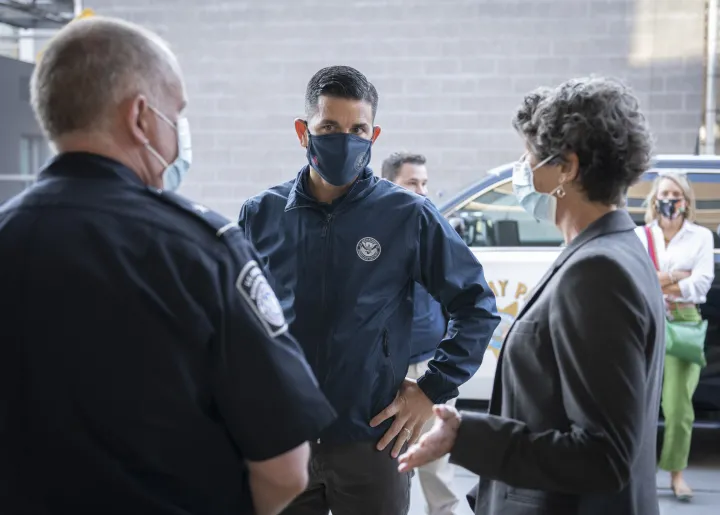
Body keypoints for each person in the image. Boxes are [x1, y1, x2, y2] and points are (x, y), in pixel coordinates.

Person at [0, 17, 336, 515]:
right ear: (140, 117)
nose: (179, 131)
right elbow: (284, 468)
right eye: (175, 112)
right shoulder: (200, 251)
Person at [237, 65, 499, 515]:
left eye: (358, 129)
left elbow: (476, 304)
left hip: (372, 440)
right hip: (284, 439)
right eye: (329, 127)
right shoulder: (261, 214)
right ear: (304, 132)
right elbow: (237, 320)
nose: (346, 139)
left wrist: (431, 389)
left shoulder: (407, 214)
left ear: (374, 134)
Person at [399, 77, 665, 515]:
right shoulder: (612, 251)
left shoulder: (598, 272)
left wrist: (466, 437)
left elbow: (604, 454)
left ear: (567, 168)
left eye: (530, 154)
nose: (523, 166)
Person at [381, 151, 460, 515]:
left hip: (430, 369)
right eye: (412, 183)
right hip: (386, 374)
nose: (422, 191)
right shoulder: (369, 235)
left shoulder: (438, 233)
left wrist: (439, 375)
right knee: (384, 471)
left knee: (437, 471)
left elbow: (461, 303)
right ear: (387, 184)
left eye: (425, 183)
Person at [636, 172, 714, 501]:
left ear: (686, 201)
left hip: (684, 323)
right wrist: (674, 276)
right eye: (665, 193)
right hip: (646, 321)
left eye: (676, 194)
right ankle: (638, 476)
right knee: (637, 403)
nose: (670, 199)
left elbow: (701, 284)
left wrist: (661, 281)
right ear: (655, 199)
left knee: (679, 407)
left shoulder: (701, 237)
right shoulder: (641, 236)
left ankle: (676, 474)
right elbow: (637, 278)